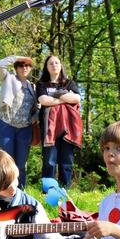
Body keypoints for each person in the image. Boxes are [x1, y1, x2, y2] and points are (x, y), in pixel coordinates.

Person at [36, 55, 82, 190]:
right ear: (46, 67)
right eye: (51, 63)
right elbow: (43, 100)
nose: (54, 65)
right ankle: (48, 191)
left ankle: (64, 190)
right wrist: (64, 98)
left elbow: (77, 98)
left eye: (56, 62)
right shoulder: (42, 84)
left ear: (61, 66)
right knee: (49, 160)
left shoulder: (69, 83)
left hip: (68, 127)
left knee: (67, 160)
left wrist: (55, 98)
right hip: (48, 127)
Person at [0, 55, 40, 188]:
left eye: (27, 65)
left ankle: (20, 192)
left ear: (30, 68)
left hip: (25, 129)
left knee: (21, 163)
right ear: (16, 68)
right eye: (20, 65)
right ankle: (2, 191)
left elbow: (38, 107)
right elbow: (0, 65)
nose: (24, 68)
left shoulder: (33, 87)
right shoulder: (8, 78)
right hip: (5, 126)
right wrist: (17, 57)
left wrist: (36, 116)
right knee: (6, 162)